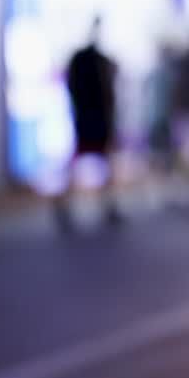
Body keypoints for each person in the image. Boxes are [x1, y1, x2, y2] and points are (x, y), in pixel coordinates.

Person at [56, 18, 122, 231]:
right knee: (91, 163)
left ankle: (103, 205)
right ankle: (100, 206)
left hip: (89, 117)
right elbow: (105, 92)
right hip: (92, 117)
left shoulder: (85, 60)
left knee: (93, 163)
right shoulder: (92, 60)